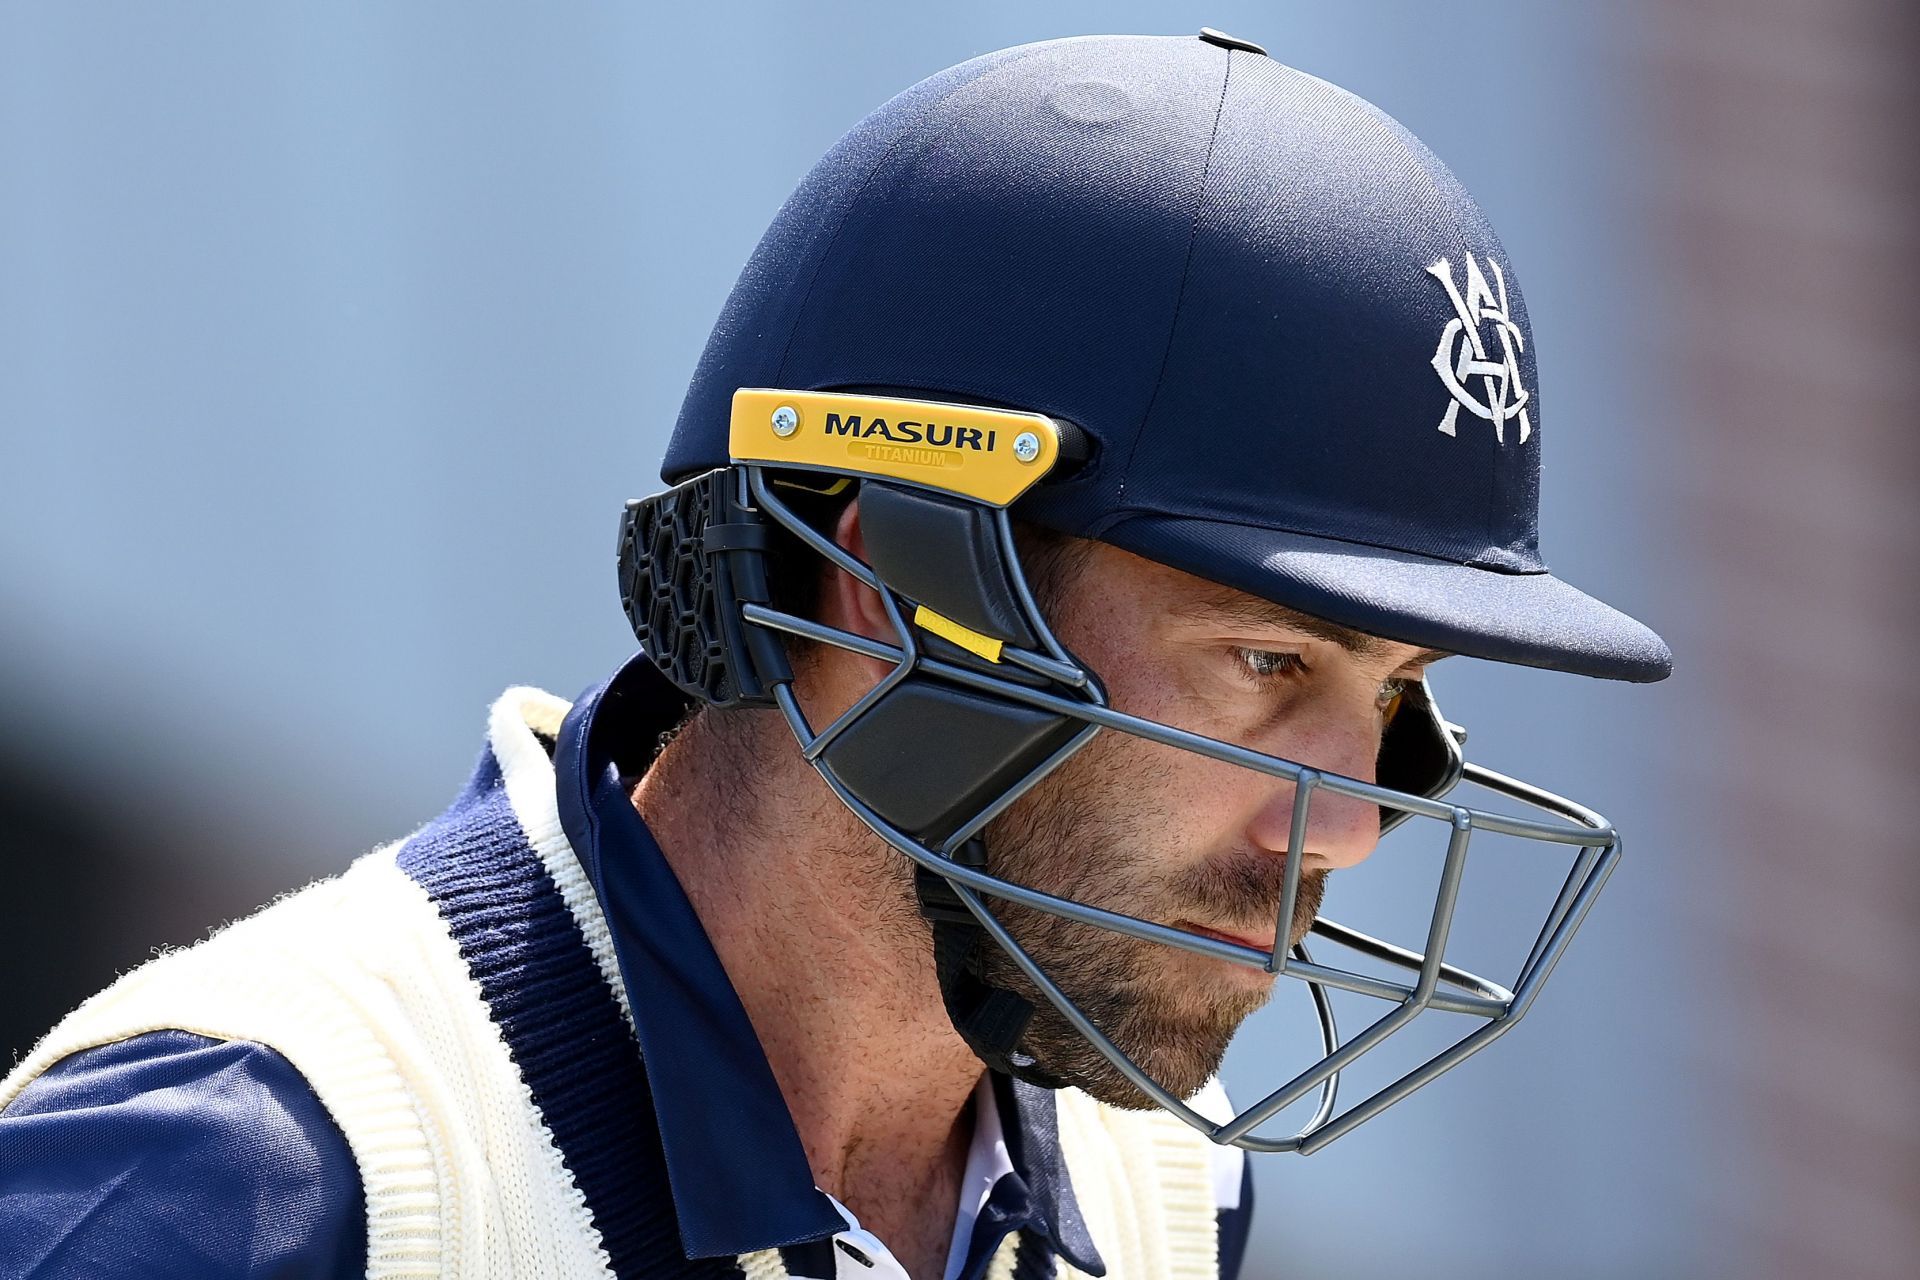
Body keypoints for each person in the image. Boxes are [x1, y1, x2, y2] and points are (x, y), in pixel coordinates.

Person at [0, 30, 1669, 1280]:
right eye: (1263, 663)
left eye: (1388, 698)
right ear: (894, 594)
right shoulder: (238, 1192)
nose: (1356, 819)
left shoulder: (1157, 1189)